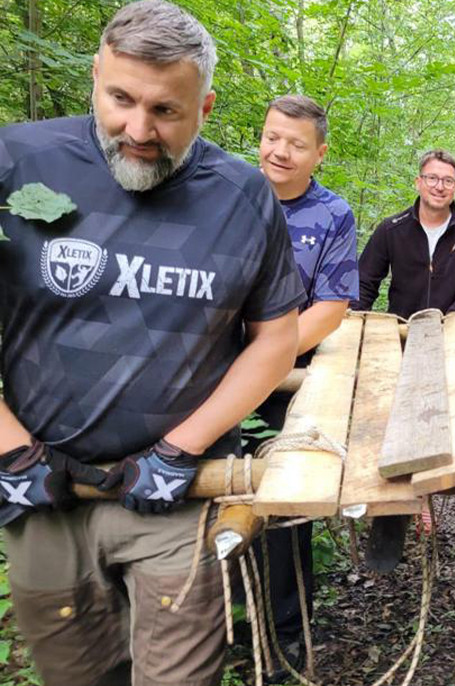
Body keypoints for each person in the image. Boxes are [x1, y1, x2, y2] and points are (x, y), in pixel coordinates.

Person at [0, 2, 305, 685]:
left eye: (166, 111)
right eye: (120, 100)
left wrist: (181, 449)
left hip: (176, 498)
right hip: (42, 497)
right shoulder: (18, 161)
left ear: (206, 104)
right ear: (95, 78)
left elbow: (276, 341)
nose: (138, 130)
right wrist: (10, 447)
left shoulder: (242, 196)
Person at [253, 94, 358, 680]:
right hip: (206, 376)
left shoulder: (332, 213)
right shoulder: (225, 194)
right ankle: (215, 618)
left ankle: (288, 642)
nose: (281, 152)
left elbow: (330, 307)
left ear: (318, 153)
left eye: (296, 143)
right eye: (273, 137)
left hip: (288, 378)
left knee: (286, 509)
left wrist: (262, 359)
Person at [354, 149, 455, 316]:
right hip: (400, 331)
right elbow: (364, 284)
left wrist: (444, 324)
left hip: (452, 331)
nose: (439, 187)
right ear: (418, 182)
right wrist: (356, 320)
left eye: (448, 181)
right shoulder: (391, 230)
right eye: (432, 178)